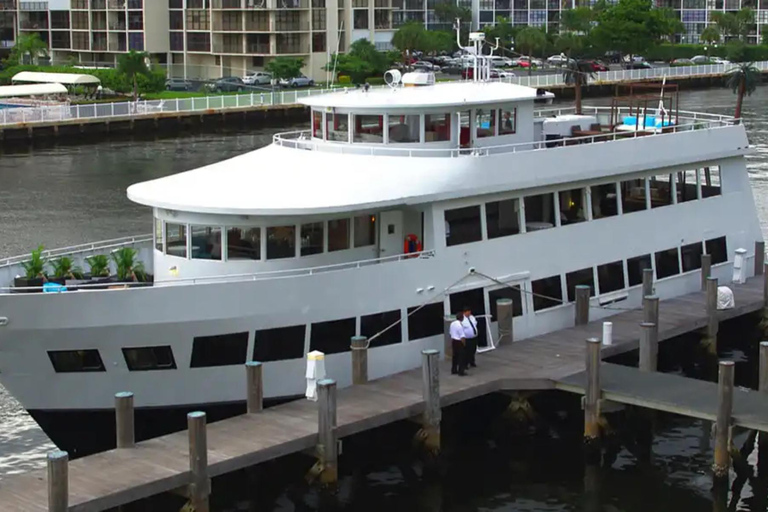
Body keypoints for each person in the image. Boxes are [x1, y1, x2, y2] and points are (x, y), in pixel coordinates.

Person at [449, 312, 467, 376]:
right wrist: (464, 344)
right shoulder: (460, 325)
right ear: (462, 318)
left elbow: (450, 333)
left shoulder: (452, 324)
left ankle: (454, 369)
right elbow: (462, 337)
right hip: (459, 342)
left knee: (455, 356)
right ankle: (461, 371)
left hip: (454, 341)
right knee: (461, 357)